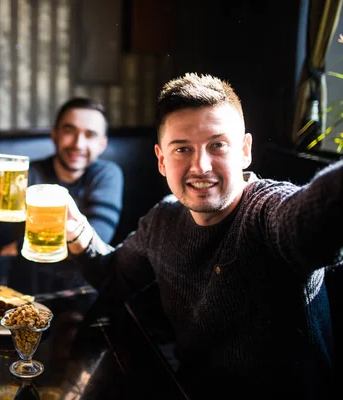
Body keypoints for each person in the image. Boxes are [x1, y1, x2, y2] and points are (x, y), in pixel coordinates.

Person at [63, 73, 342, 399]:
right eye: (182, 149)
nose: (201, 166)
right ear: (162, 160)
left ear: (244, 151)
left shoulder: (266, 211)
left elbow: (313, 216)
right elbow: (113, 276)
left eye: (217, 145)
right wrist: (76, 226)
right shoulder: (163, 220)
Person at [0, 97, 124, 256]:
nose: (78, 144)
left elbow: (97, 238)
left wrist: (21, 247)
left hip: (85, 276)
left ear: (102, 144)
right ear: (54, 135)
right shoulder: (26, 174)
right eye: (69, 131)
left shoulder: (106, 174)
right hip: (30, 273)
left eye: (90, 135)